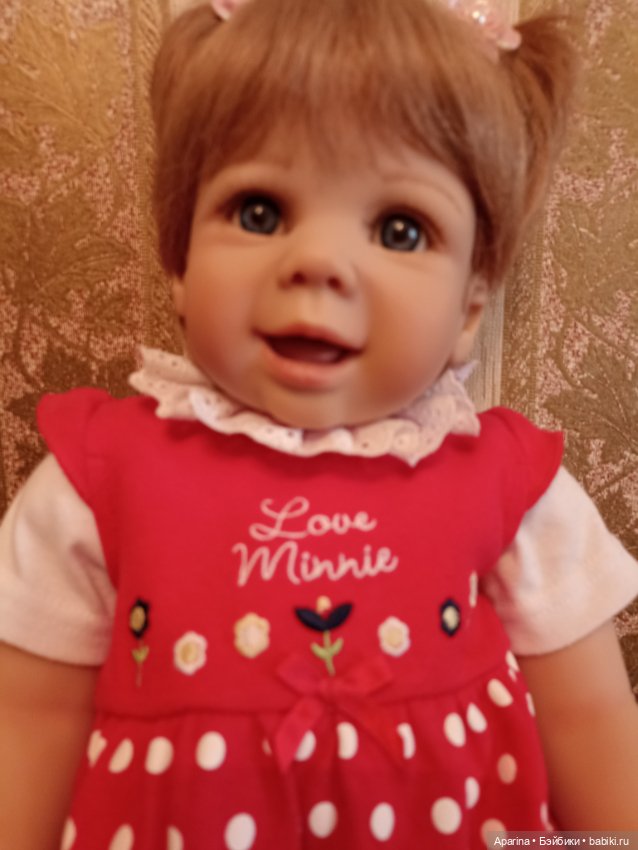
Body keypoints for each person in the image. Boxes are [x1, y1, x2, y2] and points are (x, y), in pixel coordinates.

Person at [0, 0, 637, 847]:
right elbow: (31, 721)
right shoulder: (95, 483)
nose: (318, 263)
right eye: (259, 212)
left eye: (400, 229)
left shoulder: (515, 490)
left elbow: (590, 721)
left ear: (469, 309)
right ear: (180, 263)